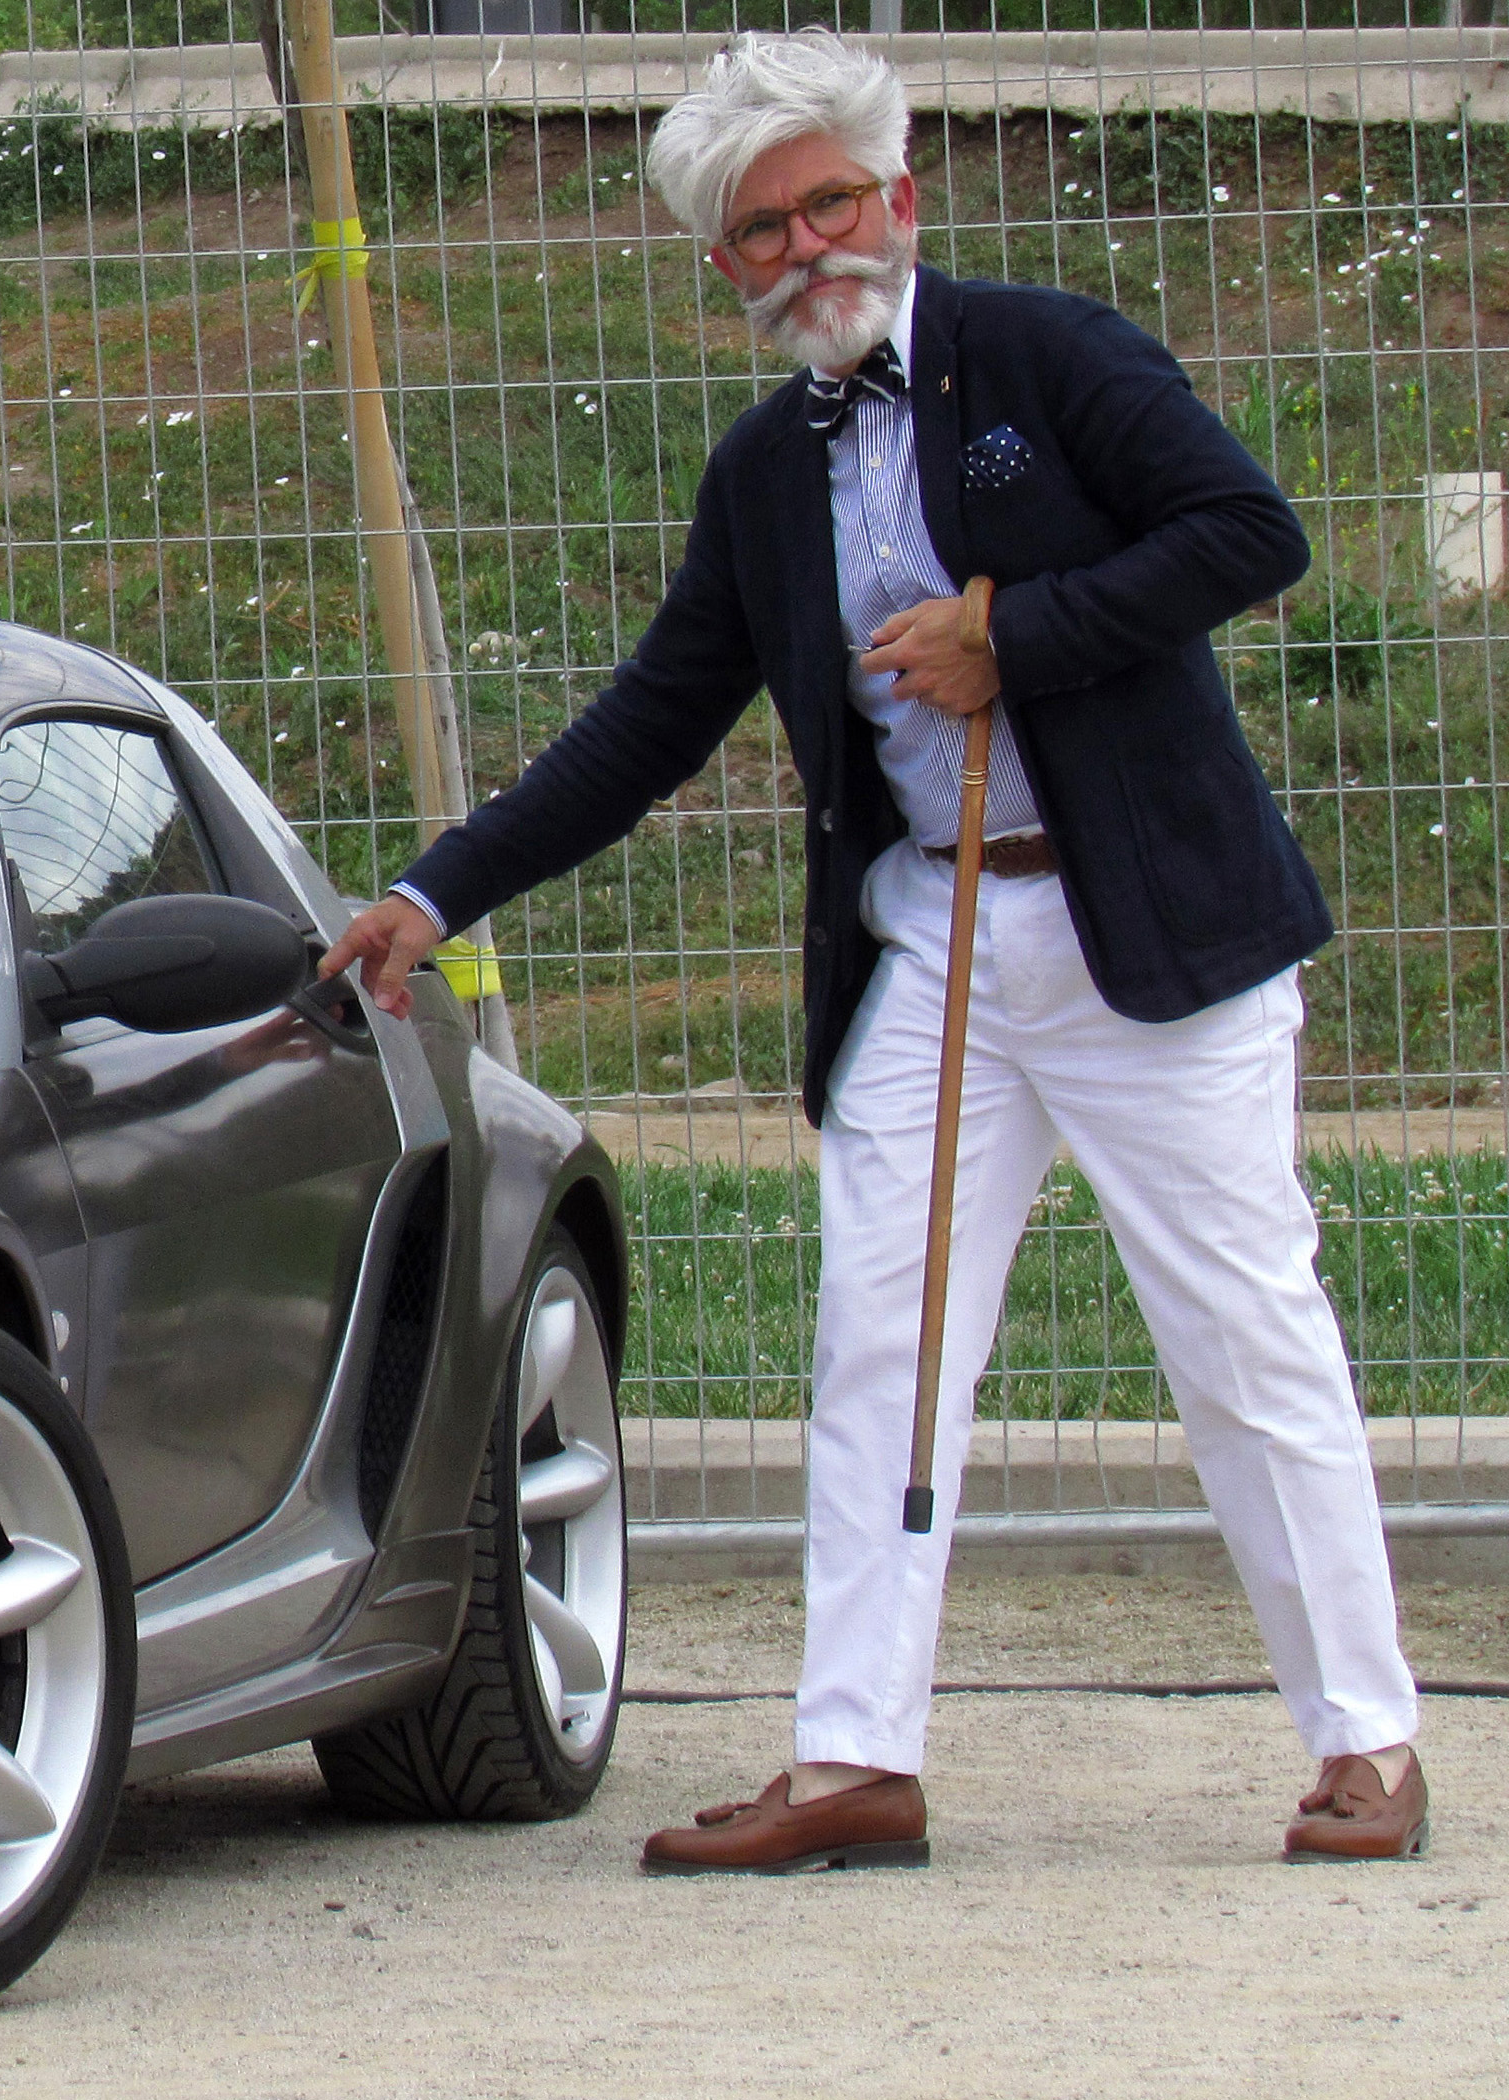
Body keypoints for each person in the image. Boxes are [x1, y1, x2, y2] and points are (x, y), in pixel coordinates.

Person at [317, 29, 1426, 1870]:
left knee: (1243, 1334)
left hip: (1148, 930)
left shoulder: (1049, 359)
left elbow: (1250, 530)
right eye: (762, 229)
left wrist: (1020, 631)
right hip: (931, 946)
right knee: (880, 1345)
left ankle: (1367, 1740)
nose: (807, 245)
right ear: (725, 266)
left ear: (899, 198)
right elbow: (649, 723)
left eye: (832, 200)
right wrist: (439, 895)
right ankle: (854, 1759)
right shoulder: (765, 473)